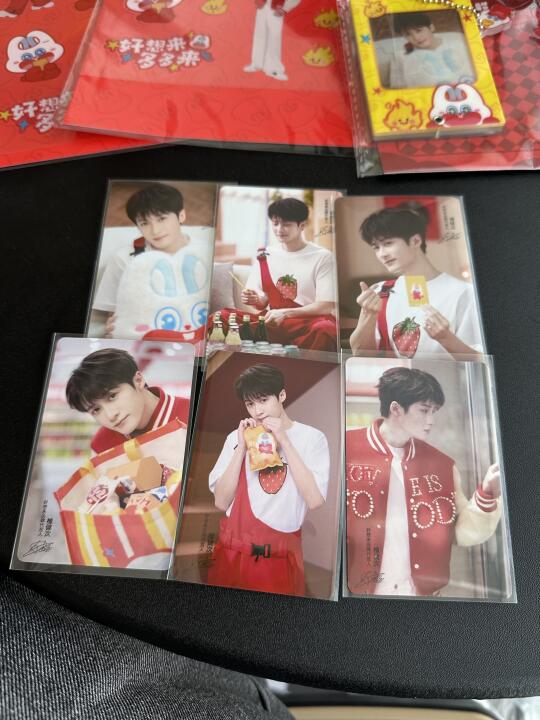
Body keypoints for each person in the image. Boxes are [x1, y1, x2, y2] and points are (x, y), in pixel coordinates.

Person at [346, 366, 502, 597]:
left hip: (423, 599)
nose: (431, 420)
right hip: (357, 596)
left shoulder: (442, 465)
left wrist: (487, 492)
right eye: (424, 410)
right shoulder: (346, 449)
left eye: (434, 411)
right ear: (396, 409)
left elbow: (462, 532)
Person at [207, 363, 329, 595]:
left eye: (263, 400)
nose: (257, 411)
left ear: (281, 395)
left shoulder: (312, 438)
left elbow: (314, 500)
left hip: (277, 559)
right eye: (250, 404)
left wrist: (285, 441)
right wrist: (241, 448)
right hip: (230, 555)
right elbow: (221, 502)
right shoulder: (236, 437)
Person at [349, 201, 483, 358]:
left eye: (388, 243)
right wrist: (368, 314)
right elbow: (360, 355)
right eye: (376, 247)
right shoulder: (380, 291)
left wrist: (446, 338)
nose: (382, 254)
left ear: (415, 241)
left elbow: (479, 361)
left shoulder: (464, 292)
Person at [212, 198, 338, 351]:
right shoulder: (265, 255)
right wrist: (255, 299)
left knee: (326, 330)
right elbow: (262, 302)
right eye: (275, 223)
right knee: (221, 317)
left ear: (302, 225)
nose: (279, 229)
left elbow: (325, 306)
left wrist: (285, 313)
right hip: (273, 323)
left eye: (286, 224)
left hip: (308, 324)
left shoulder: (323, 257)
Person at [93, 182, 210, 344]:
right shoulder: (124, 258)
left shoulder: (204, 252)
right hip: (147, 340)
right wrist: (115, 326)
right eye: (144, 223)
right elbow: (116, 314)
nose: (155, 230)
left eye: (162, 219)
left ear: (181, 216)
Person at [65, 347, 189, 454]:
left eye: (112, 396)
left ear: (138, 380)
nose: (111, 415)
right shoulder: (101, 445)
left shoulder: (192, 415)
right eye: (96, 409)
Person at [388, 12, 475, 89]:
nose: (416, 38)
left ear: (431, 27)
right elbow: (397, 90)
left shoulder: (459, 45)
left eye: (419, 30)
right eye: (408, 34)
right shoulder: (399, 58)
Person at [243, 0, 301, 81]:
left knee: (274, 38)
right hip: (263, 6)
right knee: (259, 35)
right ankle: (256, 64)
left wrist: (285, 8)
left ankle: (274, 69)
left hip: (277, 7)